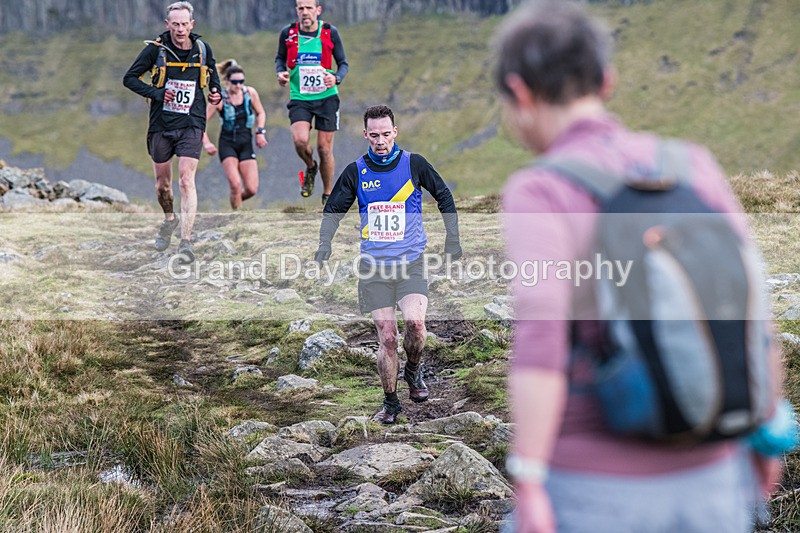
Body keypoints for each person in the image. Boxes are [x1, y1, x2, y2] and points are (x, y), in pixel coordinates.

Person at [494, 3, 785, 532]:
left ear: (518, 92)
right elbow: (749, 305)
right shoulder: (691, 164)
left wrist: (529, 478)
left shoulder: (540, 189)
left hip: (593, 488)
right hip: (715, 479)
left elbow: (542, 331)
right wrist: (768, 433)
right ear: (607, 80)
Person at [315, 105, 462, 423]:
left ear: (394, 132)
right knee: (388, 337)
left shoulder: (414, 164)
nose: (380, 140)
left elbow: (444, 196)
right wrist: (324, 244)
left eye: (385, 134)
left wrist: (453, 239)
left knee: (415, 326)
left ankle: (413, 367)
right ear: (365, 134)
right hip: (374, 269)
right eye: (374, 135)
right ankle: (391, 402)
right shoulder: (357, 171)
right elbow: (334, 208)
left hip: (411, 264)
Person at [123, 1, 221, 262]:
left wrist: (215, 92)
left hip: (192, 121)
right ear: (168, 25)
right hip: (161, 125)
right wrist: (156, 93)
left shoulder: (202, 48)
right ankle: (169, 218)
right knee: (162, 186)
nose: (180, 29)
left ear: (192, 24)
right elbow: (129, 78)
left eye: (184, 24)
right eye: (175, 24)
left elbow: (211, 72)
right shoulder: (155, 51)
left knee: (186, 180)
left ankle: (186, 242)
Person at [275, 0, 349, 204]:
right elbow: (280, 59)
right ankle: (310, 166)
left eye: (309, 8)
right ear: (296, 11)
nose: (305, 12)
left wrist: (336, 78)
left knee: (324, 149)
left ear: (318, 10)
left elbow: (343, 63)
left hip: (326, 97)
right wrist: (280, 72)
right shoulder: (288, 33)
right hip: (300, 97)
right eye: (301, 8)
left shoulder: (329, 32)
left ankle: (327, 196)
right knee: (300, 141)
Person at [202, 60, 268, 210]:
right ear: (226, 81)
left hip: (246, 143)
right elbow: (201, 123)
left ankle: (234, 202)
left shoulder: (250, 93)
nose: (238, 85)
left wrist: (260, 132)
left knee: (251, 189)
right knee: (235, 184)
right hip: (227, 144)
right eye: (234, 82)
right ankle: (237, 215)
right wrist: (207, 143)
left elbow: (261, 112)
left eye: (241, 82)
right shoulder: (219, 99)